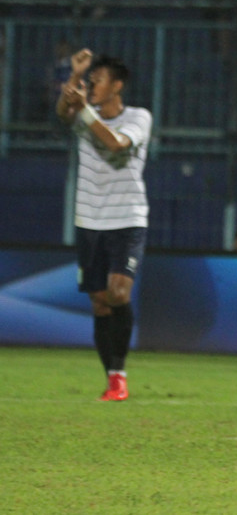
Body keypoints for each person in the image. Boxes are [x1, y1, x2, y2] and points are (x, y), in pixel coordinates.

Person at [55, 49, 152, 402]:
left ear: (117, 86)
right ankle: (112, 380)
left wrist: (84, 109)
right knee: (99, 302)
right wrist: (73, 76)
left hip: (127, 218)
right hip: (89, 220)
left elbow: (115, 143)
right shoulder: (84, 114)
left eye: (97, 81)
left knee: (118, 294)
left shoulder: (139, 117)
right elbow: (63, 111)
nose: (92, 86)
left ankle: (120, 374)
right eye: (90, 81)